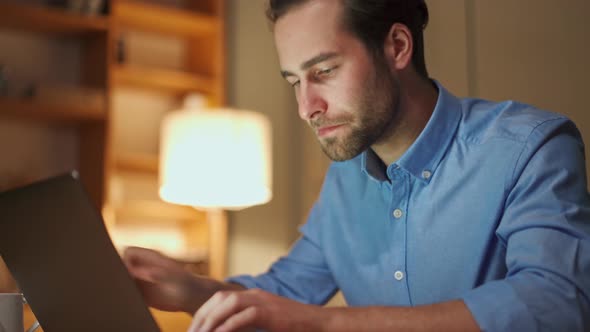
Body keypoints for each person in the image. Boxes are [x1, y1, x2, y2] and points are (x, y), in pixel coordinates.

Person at [123, 0, 590, 331]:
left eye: (324, 72)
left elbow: (556, 305)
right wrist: (189, 291)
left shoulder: (531, 146)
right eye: (294, 82)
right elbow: (286, 292)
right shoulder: (345, 179)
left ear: (398, 47)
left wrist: (324, 325)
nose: (307, 107)